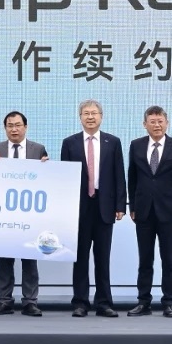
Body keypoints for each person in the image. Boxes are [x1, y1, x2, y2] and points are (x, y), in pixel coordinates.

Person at [60, 99, 125, 318]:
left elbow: (119, 175)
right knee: (80, 258)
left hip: (104, 206)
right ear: (80, 117)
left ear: (101, 117)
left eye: (94, 113)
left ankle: (104, 303)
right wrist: (66, 208)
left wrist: (120, 205)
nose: (90, 117)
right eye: (86, 113)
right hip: (79, 207)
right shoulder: (69, 143)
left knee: (102, 258)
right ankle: (80, 303)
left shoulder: (112, 142)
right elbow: (65, 178)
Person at [127, 105, 172, 318]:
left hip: (168, 212)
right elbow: (132, 178)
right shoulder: (136, 145)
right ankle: (143, 302)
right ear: (145, 124)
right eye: (152, 122)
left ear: (167, 123)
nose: (157, 125)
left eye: (160, 121)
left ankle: (169, 302)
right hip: (143, 211)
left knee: (168, 259)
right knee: (145, 260)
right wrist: (132, 207)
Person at [0, 111, 48, 317]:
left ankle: (30, 302)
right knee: (5, 260)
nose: (14, 129)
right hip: (4, 214)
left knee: (30, 259)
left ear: (25, 127)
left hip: (30, 215)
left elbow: (46, 180)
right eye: (10, 125)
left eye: (18, 125)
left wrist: (48, 167)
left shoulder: (38, 149)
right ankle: (5, 301)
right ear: (5, 128)